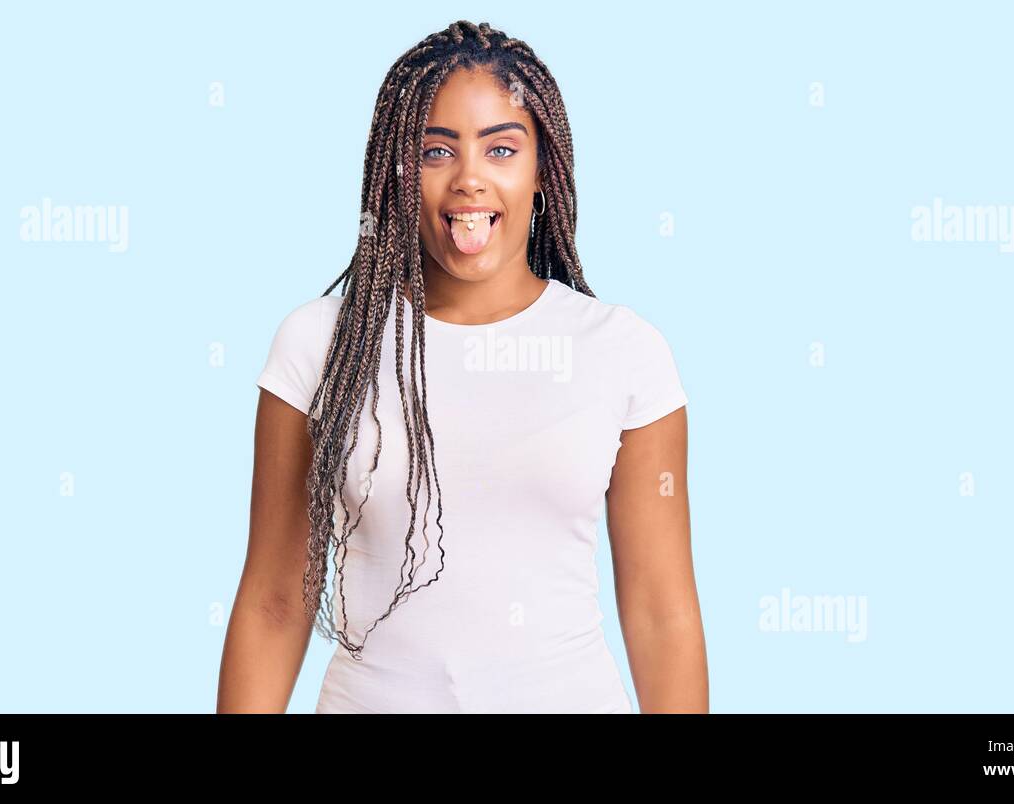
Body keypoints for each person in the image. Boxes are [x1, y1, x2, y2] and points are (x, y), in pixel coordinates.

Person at [217, 20, 707, 714]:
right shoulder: (318, 345)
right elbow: (272, 603)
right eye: (435, 151)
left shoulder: (622, 351)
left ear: (542, 172)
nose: (469, 179)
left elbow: (663, 613)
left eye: (501, 149)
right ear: (396, 170)